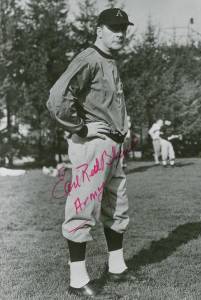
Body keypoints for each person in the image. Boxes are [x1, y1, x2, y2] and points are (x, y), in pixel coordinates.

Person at [47, 8, 134, 297]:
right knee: (82, 207)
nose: (120, 32)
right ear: (99, 29)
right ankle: (77, 280)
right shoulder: (89, 58)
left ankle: (117, 267)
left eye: (123, 27)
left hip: (114, 143)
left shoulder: (109, 59)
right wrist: (81, 129)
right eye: (113, 27)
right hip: (93, 143)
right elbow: (57, 98)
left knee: (117, 206)